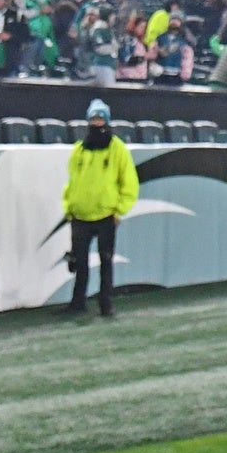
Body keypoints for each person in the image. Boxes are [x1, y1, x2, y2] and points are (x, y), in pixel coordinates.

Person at [62, 99, 137, 317]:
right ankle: (78, 303)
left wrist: (119, 210)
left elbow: (129, 182)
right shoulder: (79, 150)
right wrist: (69, 207)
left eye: (100, 118)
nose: (96, 123)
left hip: (106, 215)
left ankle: (106, 304)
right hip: (80, 216)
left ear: (107, 120)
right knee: (80, 263)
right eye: (93, 118)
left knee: (106, 261)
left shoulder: (118, 149)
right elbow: (72, 181)